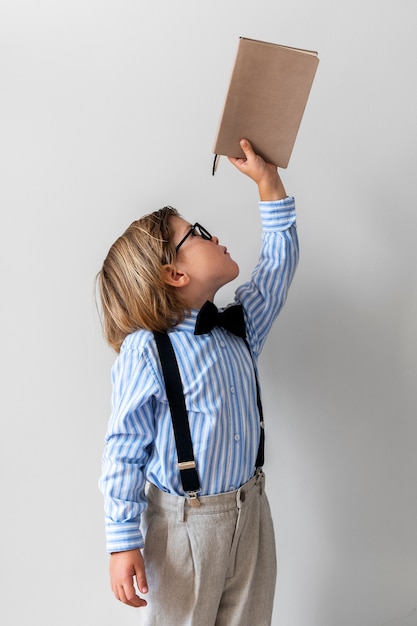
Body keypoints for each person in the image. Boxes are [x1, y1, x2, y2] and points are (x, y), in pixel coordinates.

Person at [97, 139, 299, 626]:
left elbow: (277, 267)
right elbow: (124, 447)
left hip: (252, 514)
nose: (216, 237)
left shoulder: (239, 328)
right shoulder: (147, 350)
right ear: (174, 273)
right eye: (199, 234)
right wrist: (122, 541)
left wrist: (268, 183)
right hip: (184, 529)